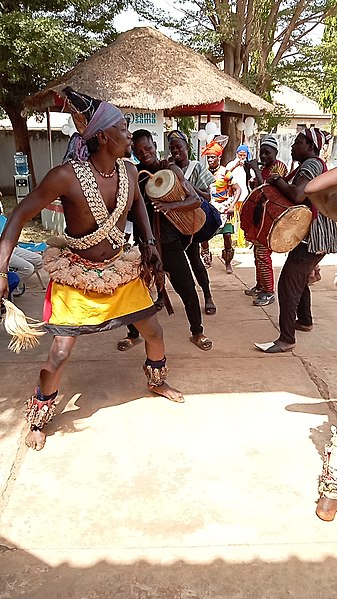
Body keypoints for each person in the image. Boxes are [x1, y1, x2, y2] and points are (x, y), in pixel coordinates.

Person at [0, 87, 184, 451]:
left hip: (119, 269)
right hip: (77, 273)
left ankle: (156, 380)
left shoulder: (130, 172)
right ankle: (38, 417)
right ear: (102, 135)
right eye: (123, 128)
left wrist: (148, 244)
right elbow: (20, 214)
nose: (129, 134)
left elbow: (138, 209)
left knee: (154, 330)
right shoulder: (65, 176)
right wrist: (1, 268)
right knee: (61, 352)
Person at [118, 129, 213, 352]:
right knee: (132, 289)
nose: (145, 154)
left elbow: (195, 200)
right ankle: (133, 334)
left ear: (155, 145)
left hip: (169, 242)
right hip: (143, 242)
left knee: (187, 288)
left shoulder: (170, 169)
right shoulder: (134, 175)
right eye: (140, 151)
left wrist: (170, 206)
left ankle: (197, 333)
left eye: (148, 148)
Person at [254, 127, 337, 354]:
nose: (292, 146)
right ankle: (305, 320)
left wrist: (277, 180)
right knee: (298, 278)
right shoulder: (311, 164)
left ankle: (286, 338)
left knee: (288, 283)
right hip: (317, 235)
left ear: (310, 147)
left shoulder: (310, 164)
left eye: (298, 142)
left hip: (313, 236)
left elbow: (298, 194)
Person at [167, 129, 216, 312]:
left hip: (192, 222)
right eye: (172, 147)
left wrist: (186, 184)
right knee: (170, 264)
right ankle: (162, 297)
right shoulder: (168, 168)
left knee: (195, 260)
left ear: (187, 147)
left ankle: (208, 295)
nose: (175, 150)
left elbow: (208, 197)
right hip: (174, 223)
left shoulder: (196, 167)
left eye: (178, 146)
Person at [245, 135, 288, 306]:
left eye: (267, 153)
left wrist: (256, 170)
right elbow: (254, 189)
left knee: (263, 254)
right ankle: (261, 285)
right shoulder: (264, 168)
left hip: (271, 217)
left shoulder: (279, 167)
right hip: (260, 216)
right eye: (261, 153)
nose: (263, 157)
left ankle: (269, 291)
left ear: (275, 153)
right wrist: (248, 171)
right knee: (257, 253)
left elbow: (267, 192)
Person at [201, 139, 241, 274]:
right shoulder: (204, 173)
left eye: (213, 157)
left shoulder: (226, 173)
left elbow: (238, 189)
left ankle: (228, 263)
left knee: (227, 235)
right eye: (208, 157)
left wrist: (232, 206)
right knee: (204, 236)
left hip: (225, 208)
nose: (210, 160)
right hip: (210, 208)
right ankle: (207, 259)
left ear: (219, 157)